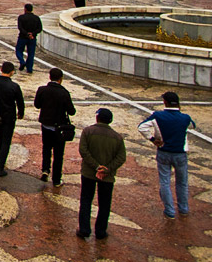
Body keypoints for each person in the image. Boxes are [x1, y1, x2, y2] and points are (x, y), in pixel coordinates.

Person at [137, 91, 197, 219]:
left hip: (164, 151)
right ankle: (183, 208)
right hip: (180, 153)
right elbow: (192, 126)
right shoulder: (185, 117)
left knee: (165, 182)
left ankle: (170, 210)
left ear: (165, 102)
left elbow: (142, 127)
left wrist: (153, 139)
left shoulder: (158, 116)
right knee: (182, 182)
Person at [77, 108, 126, 239]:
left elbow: (83, 151)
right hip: (107, 176)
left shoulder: (88, 131)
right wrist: (106, 169)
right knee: (104, 203)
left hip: (88, 173)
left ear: (97, 118)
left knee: (86, 200)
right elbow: (121, 157)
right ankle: (101, 231)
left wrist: (96, 166)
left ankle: (84, 229)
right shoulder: (117, 137)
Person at [34, 67, 76, 186]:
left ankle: (45, 170)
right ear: (61, 79)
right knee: (58, 154)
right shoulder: (64, 93)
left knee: (46, 148)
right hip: (59, 128)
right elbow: (71, 111)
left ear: (49, 77)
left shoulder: (42, 90)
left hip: (46, 125)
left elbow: (37, 105)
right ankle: (56, 180)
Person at [16, 3, 43, 73]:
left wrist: (27, 34)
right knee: (31, 54)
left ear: (25, 9)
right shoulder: (36, 18)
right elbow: (39, 28)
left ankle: (22, 61)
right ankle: (29, 68)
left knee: (19, 50)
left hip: (23, 37)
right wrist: (32, 34)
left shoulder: (21, 17)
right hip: (32, 38)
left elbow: (20, 28)